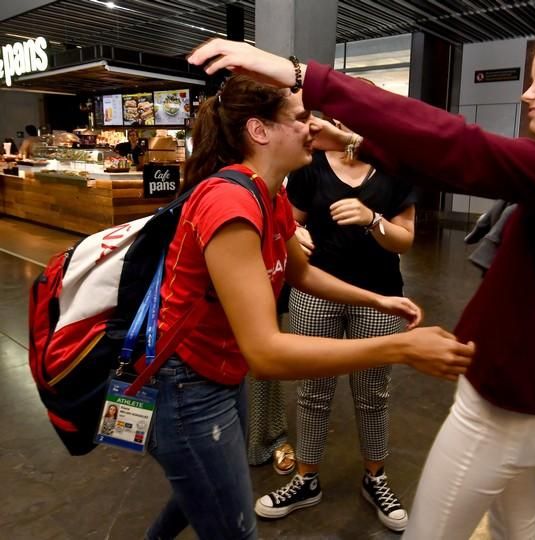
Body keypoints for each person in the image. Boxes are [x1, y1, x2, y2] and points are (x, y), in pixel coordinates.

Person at [188, 16, 535, 539]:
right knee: (519, 525)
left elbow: (462, 150)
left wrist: (302, 74)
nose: (525, 94)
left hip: (505, 400)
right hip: (512, 390)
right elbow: (446, 165)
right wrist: (356, 140)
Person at [144, 73, 473, 540]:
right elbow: (267, 353)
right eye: (301, 117)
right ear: (260, 131)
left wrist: (377, 299)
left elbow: (300, 273)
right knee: (231, 523)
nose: (314, 127)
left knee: (199, 492)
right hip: (187, 387)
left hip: (220, 374)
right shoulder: (231, 202)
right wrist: (401, 349)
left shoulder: (269, 192)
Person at [255, 110, 416, 531]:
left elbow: (406, 238)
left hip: (378, 296)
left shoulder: (394, 169)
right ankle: (306, 479)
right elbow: (290, 222)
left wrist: (373, 220)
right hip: (315, 292)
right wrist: (297, 236)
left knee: (372, 392)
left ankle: (375, 478)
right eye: (336, 120)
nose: (339, 129)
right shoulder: (311, 167)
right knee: (313, 389)